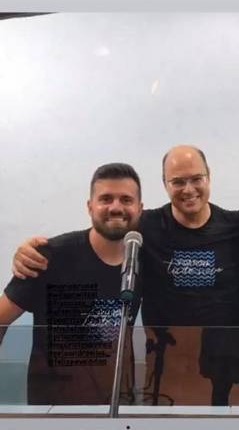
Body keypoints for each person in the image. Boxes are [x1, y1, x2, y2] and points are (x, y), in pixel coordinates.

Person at [11, 146, 239, 405]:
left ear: (209, 178)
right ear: (165, 185)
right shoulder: (146, 226)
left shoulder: (234, 225)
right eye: (177, 181)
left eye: (196, 178)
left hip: (226, 368)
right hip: (167, 367)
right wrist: (33, 248)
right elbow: (104, 228)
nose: (188, 189)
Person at [0, 163, 143, 404]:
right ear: (90, 207)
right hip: (52, 416)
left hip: (118, 412)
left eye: (126, 200)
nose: (116, 207)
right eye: (106, 199)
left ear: (140, 209)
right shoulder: (49, 256)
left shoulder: (141, 259)